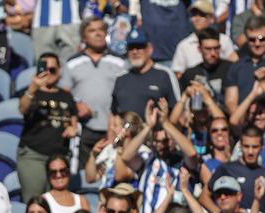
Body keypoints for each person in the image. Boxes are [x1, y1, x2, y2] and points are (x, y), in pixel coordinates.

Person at [60, 18, 127, 169]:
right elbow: (63, 94)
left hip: (114, 128)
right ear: (84, 37)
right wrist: (75, 104)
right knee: (86, 174)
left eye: (101, 30)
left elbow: (128, 92)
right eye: (92, 30)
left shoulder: (120, 62)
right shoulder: (72, 63)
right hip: (85, 130)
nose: (98, 34)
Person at [17, 52, 77, 201]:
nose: (48, 73)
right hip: (34, 155)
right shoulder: (33, 93)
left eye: (53, 70)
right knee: (35, 202)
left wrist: (72, 129)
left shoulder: (66, 96)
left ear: (59, 71)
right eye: (45, 69)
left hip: (59, 157)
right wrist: (33, 87)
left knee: (57, 202)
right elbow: (22, 109)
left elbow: (73, 121)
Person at [109, 30, 180, 120]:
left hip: (155, 133)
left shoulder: (165, 74)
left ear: (149, 49)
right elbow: (113, 113)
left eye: (139, 47)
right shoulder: (121, 78)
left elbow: (178, 109)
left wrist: (167, 128)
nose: (135, 52)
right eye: (131, 48)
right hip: (125, 133)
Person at [170, 1, 236, 76]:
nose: (197, 19)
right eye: (194, 15)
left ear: (211, 18)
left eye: (202, 15)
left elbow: (235, 66)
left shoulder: (224, 40)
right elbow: (178, 74)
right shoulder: (184, 45)